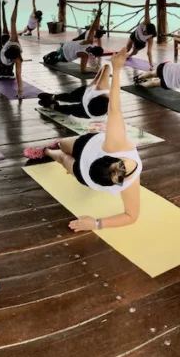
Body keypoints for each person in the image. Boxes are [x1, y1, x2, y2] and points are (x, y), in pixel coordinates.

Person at [25, 47, 142, 232]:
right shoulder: (116, 145)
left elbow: (131, 216)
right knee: (64, 143)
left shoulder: (129, 182)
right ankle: (57, 145)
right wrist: (117, 70)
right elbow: (114, 108)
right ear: (110, 156)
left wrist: (96, 224)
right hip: (89, 145)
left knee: (63, 158)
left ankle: (47, 151)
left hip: (87, 174)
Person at [38, 64, 111, 119]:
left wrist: (102, 69)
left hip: (86, 111)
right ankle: (53, 97)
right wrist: (100, 69)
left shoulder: (91, 111)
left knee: (69, 109)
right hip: (86, 92)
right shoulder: (101, 88)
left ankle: (52, 106)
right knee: (71, 97)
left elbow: (105, 68)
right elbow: (106, 67)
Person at [43, 9, 105, 74]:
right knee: (55, 60)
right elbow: (83, 70)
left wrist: (97, 16)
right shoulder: (85, 55)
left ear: (95, 47)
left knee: (57, 52)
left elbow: (92, 28)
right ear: (94, 54)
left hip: (63, 46)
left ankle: (48, 55)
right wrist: (94, 69)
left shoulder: (89, 41)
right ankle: (48, 60)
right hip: (65, 57)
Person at [0, 0, 26, 98]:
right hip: (4, 56)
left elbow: (18, 75)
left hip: (7, 56)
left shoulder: (18, 59)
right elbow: (12, 21)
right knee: (4, 64)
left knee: (17, 72)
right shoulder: (14, 39)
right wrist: (16, 4)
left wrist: (20, 93)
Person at [127, 0, 157, 69]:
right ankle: (123, 55)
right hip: (134, 34)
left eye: (145, 32)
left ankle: (129, 55)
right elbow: (146, 6)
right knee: (127, 48)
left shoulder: (150, 38)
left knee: (134, 52)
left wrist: (151, 65)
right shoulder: (147, 21)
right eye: (144, 29)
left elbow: (149, 52)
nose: (144, 31)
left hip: (140, 42)